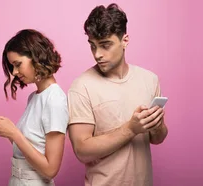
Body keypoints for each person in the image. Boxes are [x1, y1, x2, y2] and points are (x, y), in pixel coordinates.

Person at [66, 3, 168, 186]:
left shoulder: (150, 79)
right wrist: (131, 129)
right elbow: (82, 150)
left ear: (125, 40)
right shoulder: (81, 87)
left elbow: (157, 138)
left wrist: (157, 124)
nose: (97, 54)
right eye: (93, 46)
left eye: (105, 45)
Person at [0, 29, 68, 186]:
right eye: (12, 67)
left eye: (18, 65)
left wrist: (14, 133)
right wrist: (8, 133)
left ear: (36, 57)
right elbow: (32, 146)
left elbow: (51, 169)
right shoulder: (34, 97)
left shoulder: (55, 99)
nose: (15, 72)